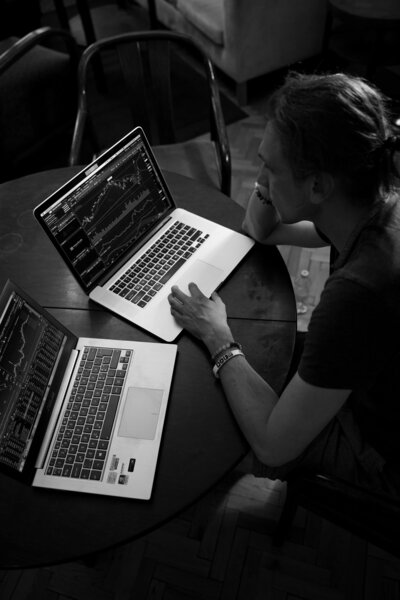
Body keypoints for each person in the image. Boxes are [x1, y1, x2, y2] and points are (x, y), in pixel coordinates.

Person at [167, 72, 400, 497]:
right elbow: (260, 229)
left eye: (270, 167)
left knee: (229, 421)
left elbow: (274, 446)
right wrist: (269, 176)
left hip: (383, 455)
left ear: (317, 185)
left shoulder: (357, 292)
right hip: (378, 382)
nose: (261, 176)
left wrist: (219, 338)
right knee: (254, 358)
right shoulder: (371, 204)